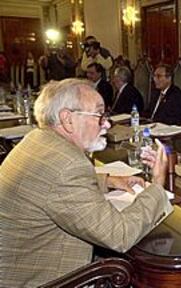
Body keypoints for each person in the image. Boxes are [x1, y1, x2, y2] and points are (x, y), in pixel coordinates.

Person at [0, 78, 172, 287]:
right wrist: (157, 184)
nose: (107, 124)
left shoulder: (37, 138)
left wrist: (110, 181)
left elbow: (51, 187)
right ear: (68, 119)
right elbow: (121, 235)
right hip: (44, 278)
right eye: (99, 115)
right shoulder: (68, 165)